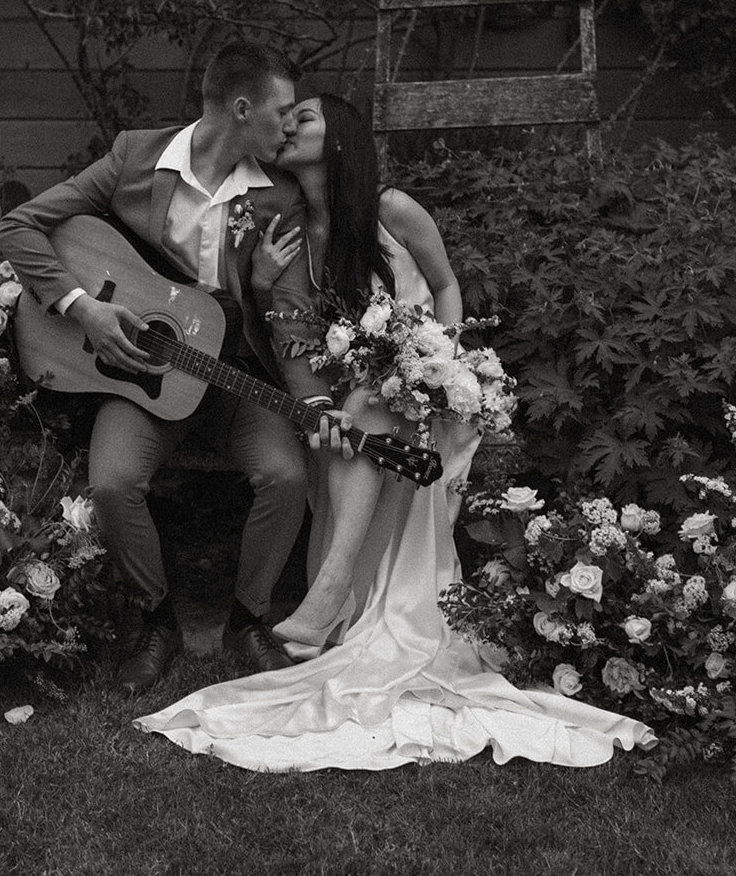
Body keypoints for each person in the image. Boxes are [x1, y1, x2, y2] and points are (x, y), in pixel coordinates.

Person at [135, 94, 655, 770]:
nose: (288, 126)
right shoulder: (292, 231)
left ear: (343, 139)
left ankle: (329, 590)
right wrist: (261, 286)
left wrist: (443, 357)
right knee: (365, 404)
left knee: (375, 401)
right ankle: (335, 593)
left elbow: (444, 285)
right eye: (286, 119)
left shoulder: (392, 207)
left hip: (433, 394)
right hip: (366, 406)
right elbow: (287, 343)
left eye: (306, 119)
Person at [0, 43, 349, 696]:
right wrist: (85, 310)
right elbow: (20, 227)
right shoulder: (135, 157)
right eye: (279, 112)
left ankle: (249, 619)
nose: (289, 127)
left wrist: (312, 396)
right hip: (138, 372)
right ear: (242, 110)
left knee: (286, 473)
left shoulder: (279, 197)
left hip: (231, 376)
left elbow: (296, 318)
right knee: (114, 483)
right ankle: (156, 622)